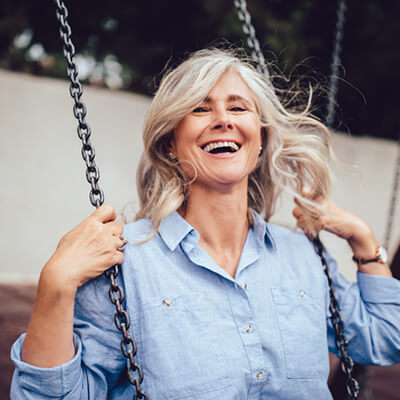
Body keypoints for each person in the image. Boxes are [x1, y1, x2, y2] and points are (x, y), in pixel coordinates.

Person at [10, 48, 400, 400]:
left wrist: (364, 243)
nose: (222, 120)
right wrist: (55, 286)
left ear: (261, 137)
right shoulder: (124, 263)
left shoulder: (302, 254)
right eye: (200, 109)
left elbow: (385, 338)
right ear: (170, 144)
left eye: (238, 107)